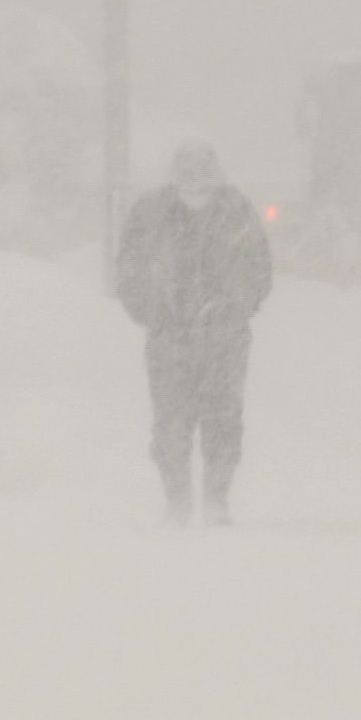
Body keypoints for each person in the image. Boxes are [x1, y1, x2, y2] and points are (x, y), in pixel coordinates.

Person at [116, 141, 272, 526]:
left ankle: (217, 498)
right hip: (170, 338)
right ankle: (177, 499)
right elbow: (129, 272)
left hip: (224, 340)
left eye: (204, 182)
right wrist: (155, 314)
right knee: (171, 419)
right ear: (174, 180)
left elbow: (257, 271)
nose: (197, 191)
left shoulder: (237, 213)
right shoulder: (150, 215)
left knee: (222, 417)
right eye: (189, 181)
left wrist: (231, 312)